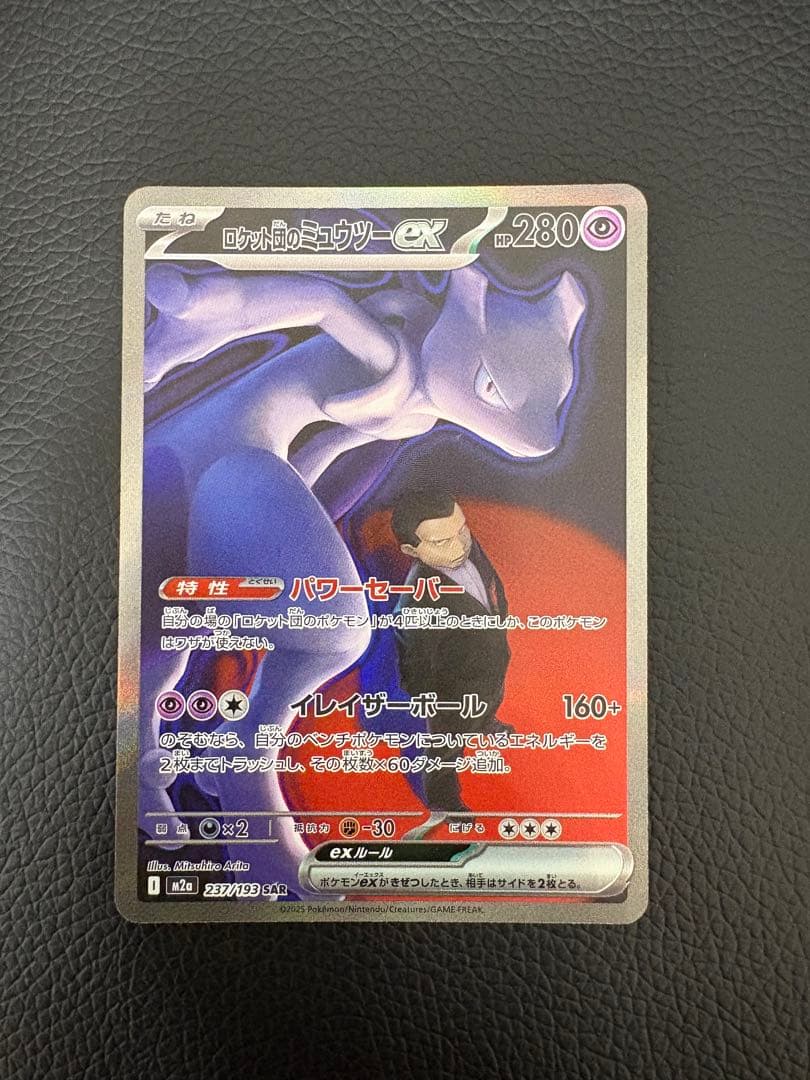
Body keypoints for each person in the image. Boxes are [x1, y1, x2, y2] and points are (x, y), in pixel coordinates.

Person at [392, 490, 514, 813]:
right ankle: (443, 800)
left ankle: (485, 722)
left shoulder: (470, 548)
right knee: (445, 747)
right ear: (411, 550)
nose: (459, 546)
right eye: (442, 542)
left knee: (490, 699)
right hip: (452, 692)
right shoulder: (415, 602)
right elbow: (414, 661)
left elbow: (491, 584)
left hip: (488, 665)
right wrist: (432, 699)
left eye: (462, 531)